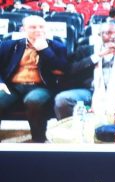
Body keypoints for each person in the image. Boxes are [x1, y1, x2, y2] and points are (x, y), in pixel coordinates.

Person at [54, 21, 115, 120]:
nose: (113, 36)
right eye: (108, 33)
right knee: (62, 100)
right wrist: (97, 56)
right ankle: (73, 128)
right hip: (90, 91)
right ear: (99, 34)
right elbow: (71, 70)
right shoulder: (85, 50)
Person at [0, 15, 67, 143]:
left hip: (41, 87)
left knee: (33, 100)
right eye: (33, 27)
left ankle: (38, 140)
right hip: (12, 87)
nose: (38, 30)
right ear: (23, 29)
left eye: (41, 27)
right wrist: (1, 83)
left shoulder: (57, 47)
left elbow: (62, 69)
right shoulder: (8, 45)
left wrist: (45, 50)